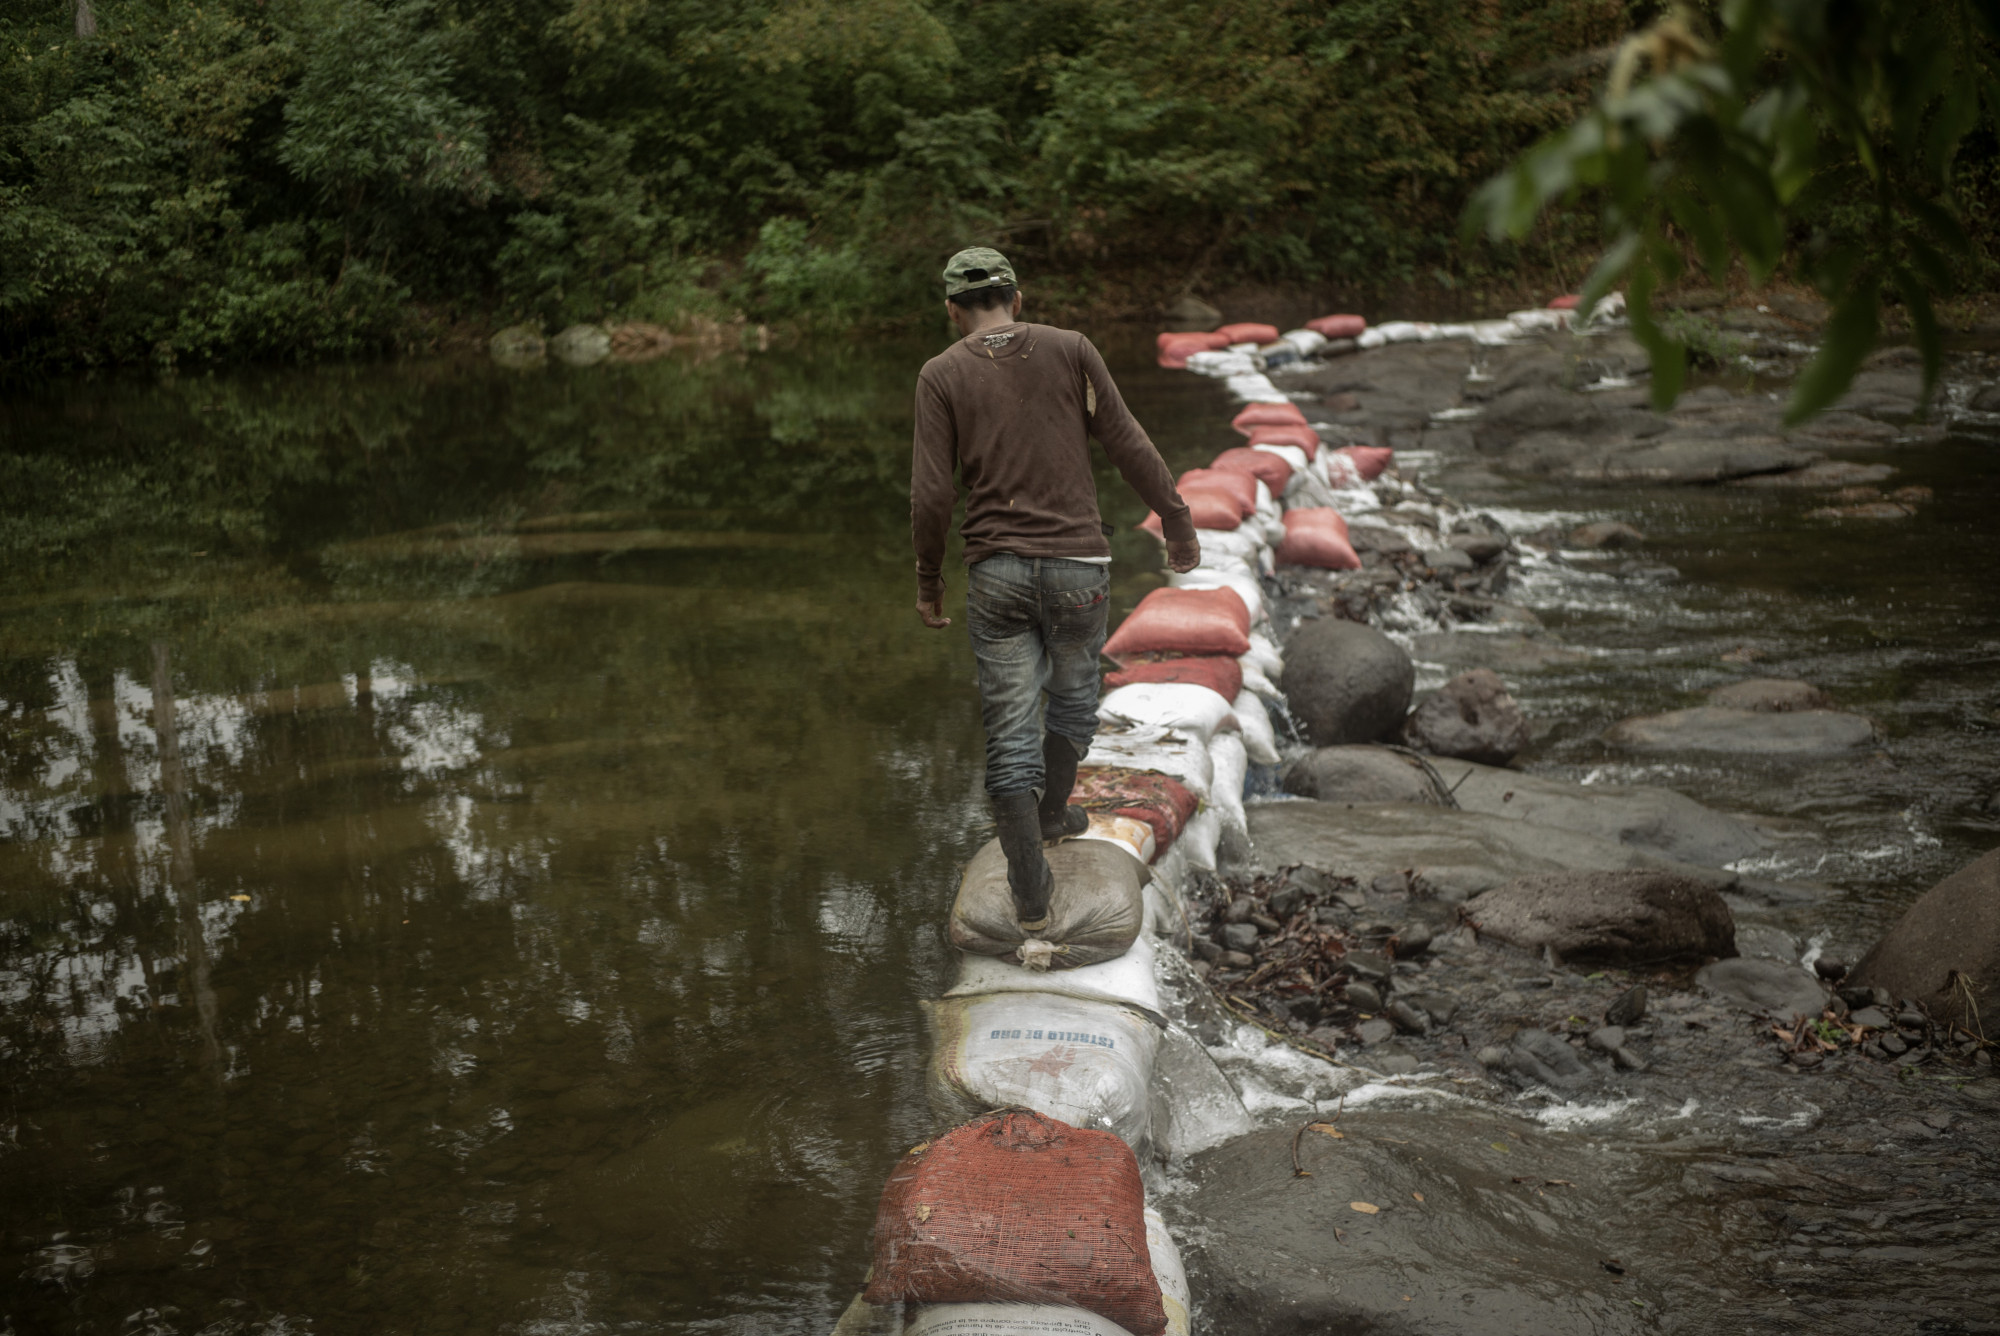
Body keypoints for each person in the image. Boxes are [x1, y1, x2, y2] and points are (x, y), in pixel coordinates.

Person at [911, 246, 1201, 931]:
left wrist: (929, 580)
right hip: (1079, 568)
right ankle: (1051, 812)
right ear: (1019, 297)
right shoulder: (1072, 349)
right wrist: (1178, 521)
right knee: (1073, 700)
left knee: (1009, 733)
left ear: (953, 310)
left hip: (997, 574)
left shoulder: (940, 373)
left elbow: (930, 494)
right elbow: (1126, 439)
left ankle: (1031, 895)